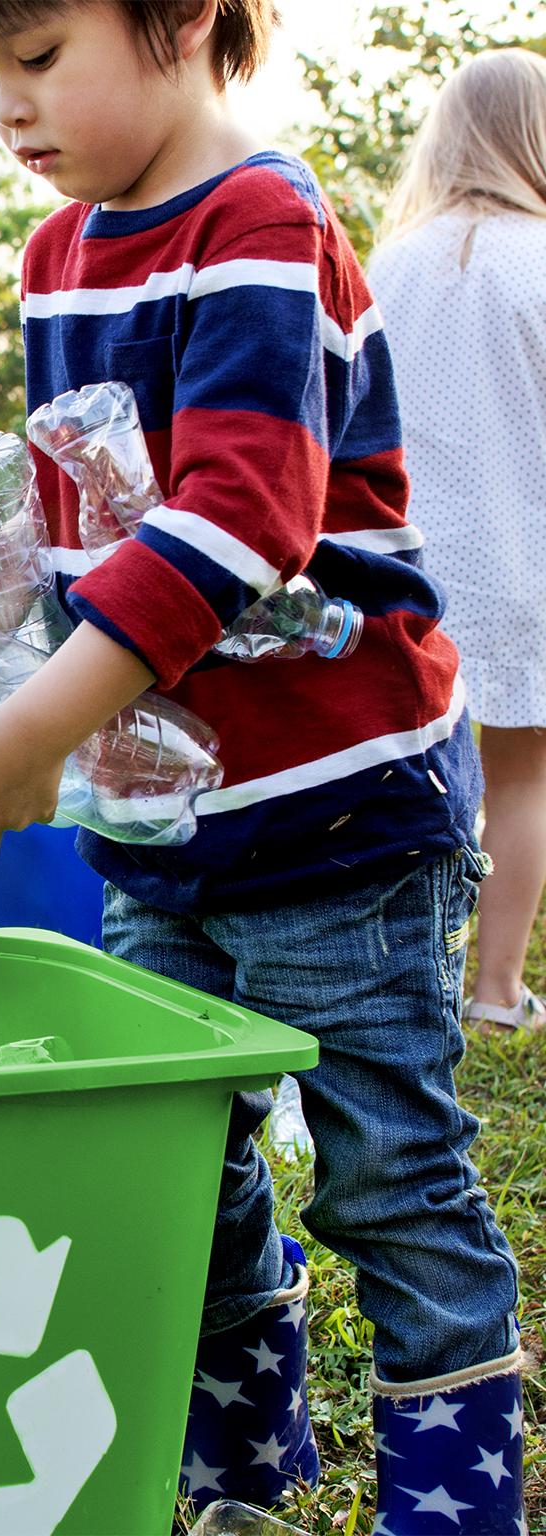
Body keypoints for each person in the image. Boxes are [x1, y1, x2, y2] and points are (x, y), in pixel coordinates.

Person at [0, 3, 522, 1527]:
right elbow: (115, 535)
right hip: (159, 821)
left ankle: (455, 1506)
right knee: (181, 1163)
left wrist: (37, 723)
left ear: (181, 18)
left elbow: (241, 525)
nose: (5, 108)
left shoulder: (261, 222)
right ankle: (240, 1468)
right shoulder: (59, 257)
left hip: (340, 818)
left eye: (37, 58)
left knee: (385, 1172)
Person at [370, 48, 546, 1035]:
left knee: (411, 777)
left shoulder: (388, 261)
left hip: (403, 565)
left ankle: (411, 984)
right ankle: (493, 990)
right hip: (522, 558)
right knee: (521, 777)